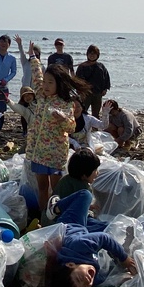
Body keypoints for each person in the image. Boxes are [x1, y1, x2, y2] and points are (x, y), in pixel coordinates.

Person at [27, 43, 91, 212]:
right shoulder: (41, 95)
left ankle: (55, 215)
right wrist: (33, 57)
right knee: (42, 187)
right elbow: (37, 75)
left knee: (56, 190)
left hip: (55, 152)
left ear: (59, 84)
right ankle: (43, 216)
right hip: (38, 150)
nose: (46, 85)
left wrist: (63, 118)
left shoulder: (65, 103)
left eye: (50, 82)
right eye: (45, 82)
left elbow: (71, 127)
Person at [47, 189, 136, 287]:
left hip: (72, 223)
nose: (87, 281)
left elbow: (105, 238)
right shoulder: (91, 278)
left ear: (70, 264)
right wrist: (123, 278)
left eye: (79, 279)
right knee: (114, 227)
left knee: (85, 195)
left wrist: (124, 259)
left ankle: (55, 208)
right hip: (86, 230)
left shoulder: (79, 245)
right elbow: (103, 283)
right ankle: (88, 216)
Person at [45, 146, 101, 225]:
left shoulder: (68, 180)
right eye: (95, 170)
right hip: (61, 223)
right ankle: (55, 208)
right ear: (84, 175)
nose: (97, 174)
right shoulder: (81, 187)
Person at [75, 44, 110, 115]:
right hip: (85, 94)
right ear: (87, 54)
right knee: (83, 112)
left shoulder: (101, 66)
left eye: (94, 53)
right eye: (90, 53)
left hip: (97, 93)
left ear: (97, 55)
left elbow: (106, 77)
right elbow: (77, 79)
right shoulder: (82, 66)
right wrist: (79, 90)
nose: (92, 55)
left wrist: (105, 89)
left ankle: (95, 126)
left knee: (96, 114)